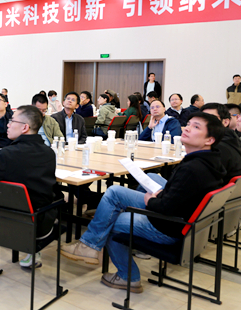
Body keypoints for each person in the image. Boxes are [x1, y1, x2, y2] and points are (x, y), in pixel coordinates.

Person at [61, 113, 225, 293]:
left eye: (196, 127)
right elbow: (180, 196)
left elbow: (166, 208)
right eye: (189, 124)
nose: (186, 128)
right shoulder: (209, 160)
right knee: (131, 186)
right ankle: (92, 243)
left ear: (209, 140)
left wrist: (152, 201)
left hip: (168, 226)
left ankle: (127, 276)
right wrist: (162, 194)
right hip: (180, 216)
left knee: (110, 219)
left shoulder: (193, 169)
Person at [0, 105, 61, 268]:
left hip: (0, 222)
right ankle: (33, 251)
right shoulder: (49, 153)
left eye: (12, 121)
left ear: (25, 127)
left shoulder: (7, 155)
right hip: (39, 223)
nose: (8, 125)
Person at [200, 103, 241, 184]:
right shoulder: (232, 138)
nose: (204, 123)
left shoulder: (218, 147)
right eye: (201, 118)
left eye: (211, 118)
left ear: (225, 122)